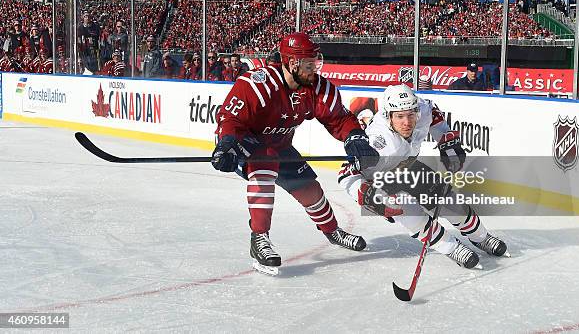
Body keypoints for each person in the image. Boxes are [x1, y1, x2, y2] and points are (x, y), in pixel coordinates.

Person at [211, 32, 380, 275]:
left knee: (310, 189)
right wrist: (227, 144)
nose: (315, 69)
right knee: (265, 162)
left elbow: (340, 119)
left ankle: (332, 231)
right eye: (310, 64)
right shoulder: (257, 84)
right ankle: (259, 238)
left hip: (279, 145)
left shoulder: (316, 88)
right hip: (242, 142)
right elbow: (231, 118)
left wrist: (355, 138)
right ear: (292, 63)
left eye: (316, 63)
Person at [338, 84, 508, 269]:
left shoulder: (421, 109)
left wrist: (446, 140)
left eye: (411, 115)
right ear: (388, 116)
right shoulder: (380, 143)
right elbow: (346, 174)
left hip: (407, 166)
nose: (407, 122)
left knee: (450, 202)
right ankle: (451, 247)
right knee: (407, 213)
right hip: (383, 180)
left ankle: (481, 238)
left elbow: (433, 113)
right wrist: (367, 195)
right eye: (400, 116)